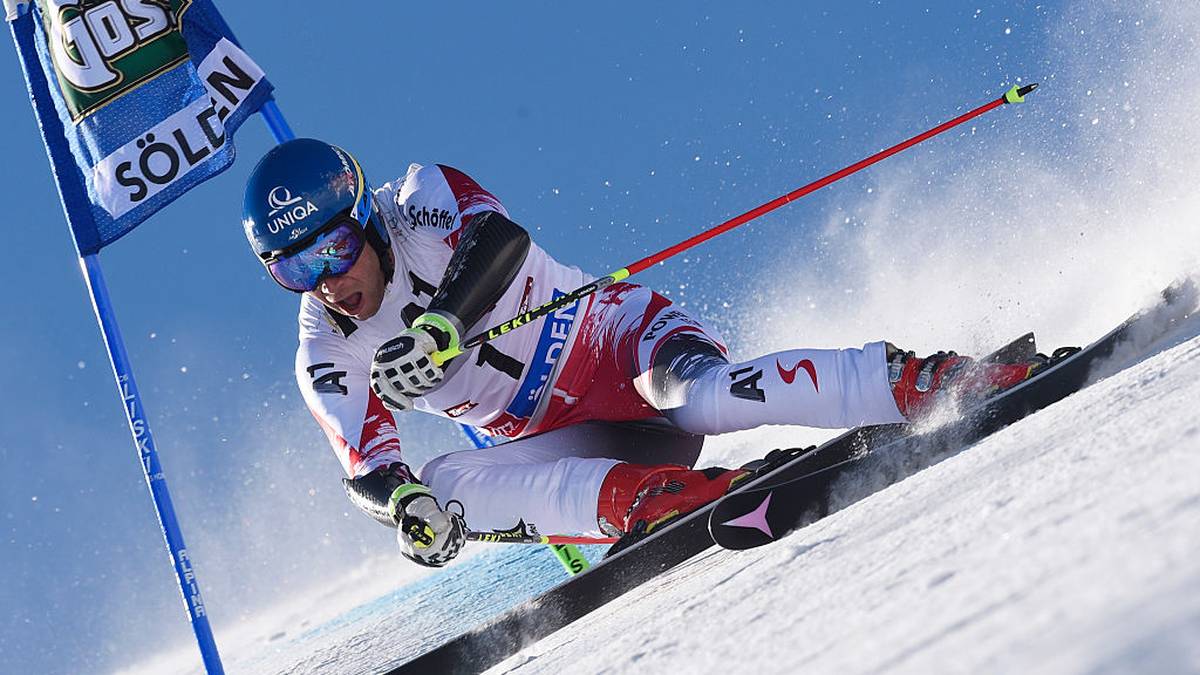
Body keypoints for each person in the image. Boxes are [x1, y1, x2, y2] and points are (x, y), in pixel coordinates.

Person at [242, 138, 1042, 567]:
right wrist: (404, 508)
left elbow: (500, 241)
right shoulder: (324, 348)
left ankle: (924, 381)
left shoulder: (419, 198)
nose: (329, 280)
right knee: (445, 482)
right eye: (293, 269)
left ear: (365, 217)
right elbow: (368, 466)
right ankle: (653, 499)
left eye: (336, 245)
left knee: (704, 397)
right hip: (563, 440)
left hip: (617, 344)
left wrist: (446, 324)